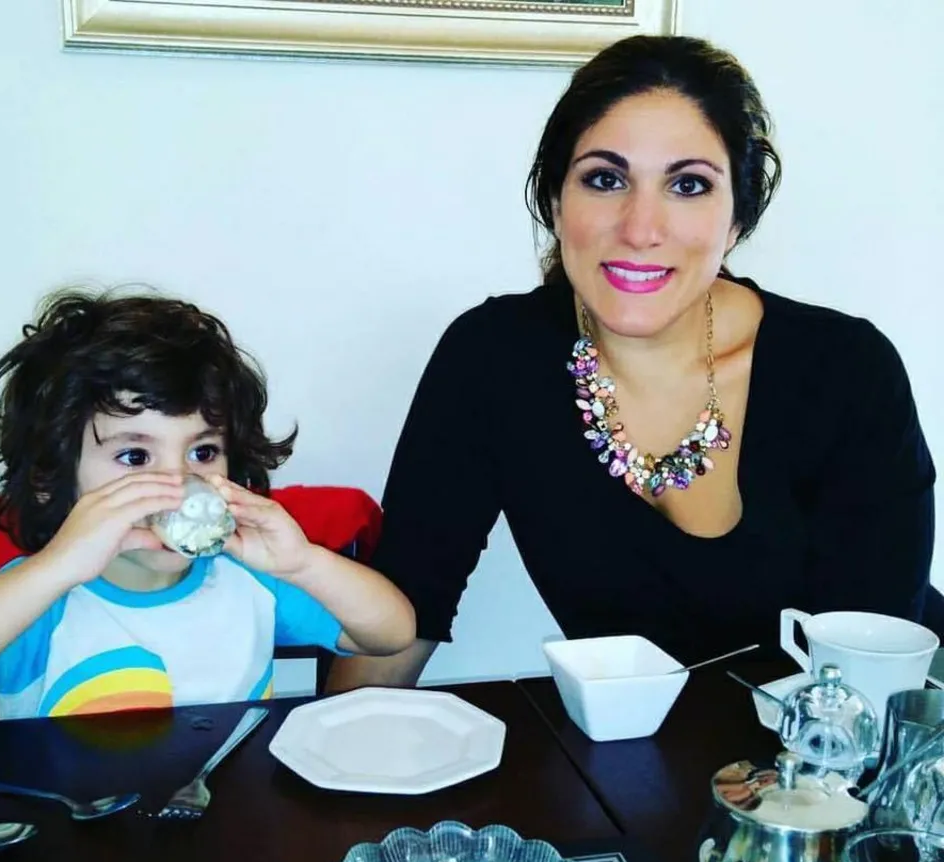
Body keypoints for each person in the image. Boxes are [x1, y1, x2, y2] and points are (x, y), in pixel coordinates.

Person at [326, 34, 939, 692]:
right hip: (642, 760)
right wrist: (326, 757)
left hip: (874, 751)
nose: (641, 226)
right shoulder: (492, 360)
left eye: (688, 185)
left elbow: (871, 676)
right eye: (605, 179)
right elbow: (400, 624)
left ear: (737, 220)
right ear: (556, 204)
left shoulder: (846, 370)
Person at [0, 291, 415, 721]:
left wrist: (305, 564)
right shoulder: (37, 602)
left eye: (202, 453)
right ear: (52, 479)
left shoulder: (250, 582)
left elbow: (392, 635)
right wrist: (51, 571)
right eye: (135, 456)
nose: (179, 484)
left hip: (232, 823)